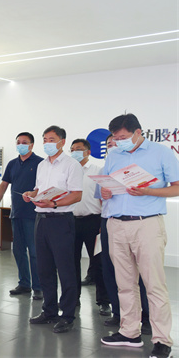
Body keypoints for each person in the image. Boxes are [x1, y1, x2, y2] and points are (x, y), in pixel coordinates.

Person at [99, 114, 178, 358]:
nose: (119, 142)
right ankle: (129, 332)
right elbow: (103, 187)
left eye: (123, 137)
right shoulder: (114, 155)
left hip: (147, 224)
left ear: (138, 132)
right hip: (116, 224)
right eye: (116, 138)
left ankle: (162, 339)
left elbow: (176, 186)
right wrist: (104, 191)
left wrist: (148, 191)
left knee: (154, 284)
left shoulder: (161, 153)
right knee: (124, 283)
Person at [25, 125, 83, 334]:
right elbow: (39, 189)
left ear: (62, 142)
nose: (47, 143)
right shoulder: (42, 165)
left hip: (61, 220)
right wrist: (31, 194)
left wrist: (55, 204)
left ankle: (67, 315)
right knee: (44, 268)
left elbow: (76, 195)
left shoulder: (71, 165)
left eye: (51, 139)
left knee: (65, 269)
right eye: (45, 139)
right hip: (41, 220)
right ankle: (49, 311)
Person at [99, 133, 151, 333]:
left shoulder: (135, 167)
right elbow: (100, 198)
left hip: (135, 220)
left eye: (117, 142)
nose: (113, 146)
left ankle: (146, 317)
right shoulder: (105, 168)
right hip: (109, 220)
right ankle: (118, 313)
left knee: (140, 271)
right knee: (111, 269)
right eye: (109, 144)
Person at [0, 132, 43, 300]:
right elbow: (3, 185)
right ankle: (24, 283)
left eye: (25, 142)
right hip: (16, 213)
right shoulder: (12, 164)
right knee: (18, 250)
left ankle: (38, 287)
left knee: (34, 252)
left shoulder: (40, 163)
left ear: (32, 145)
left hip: (33, 214)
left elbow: (44, 187)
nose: (21, 145)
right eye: (18, 142)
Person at [69, 139, 110, 315]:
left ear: (88, 152)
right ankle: (73, 299)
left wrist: (103, 222)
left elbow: (104, 198)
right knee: (71, 263)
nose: (74, 152)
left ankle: (104, 301)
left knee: (99, 263)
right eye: (72, 149)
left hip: (94, 221)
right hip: (71, 221)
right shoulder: (68, 170)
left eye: (78, 149)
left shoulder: (97, 171)